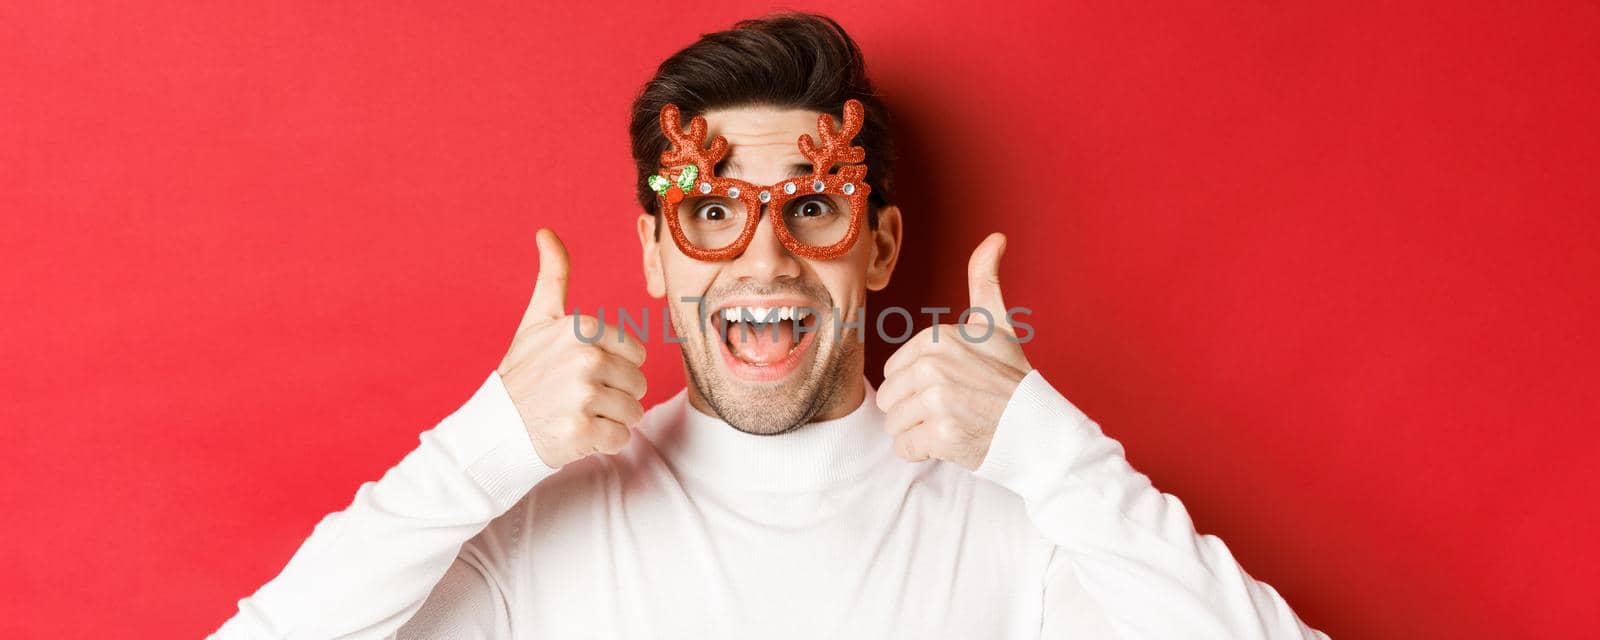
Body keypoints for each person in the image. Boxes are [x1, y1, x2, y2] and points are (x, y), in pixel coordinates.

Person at [211, 12, 1327, 639]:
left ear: (878, 246)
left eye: (810, 207)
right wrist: (480, 447)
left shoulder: (1019, 528)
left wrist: (1053, 453)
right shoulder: (535, 527)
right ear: (653, 253)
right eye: (709, 212)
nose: (763, 258)